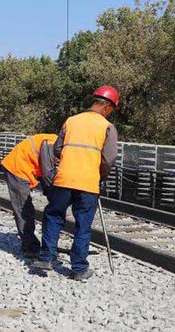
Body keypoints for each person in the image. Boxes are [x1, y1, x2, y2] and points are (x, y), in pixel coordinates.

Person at [31, 86, 119, 281]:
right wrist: (101, 177)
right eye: (112, 110)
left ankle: (46, 258)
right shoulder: (107, 127)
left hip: (64, 179)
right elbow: (109, 159)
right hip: (88, 183)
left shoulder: (71, 121)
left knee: (54, 217)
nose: (110, 114)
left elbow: (57, 150)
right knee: (83, 225)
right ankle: (78, 269)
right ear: (106, 106)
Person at [0, 133, 57, 258]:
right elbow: (47, 172)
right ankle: (30, 247)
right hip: (16, 168)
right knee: (24, 209)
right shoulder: (51, 142)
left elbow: (45, 171)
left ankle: (30, 243)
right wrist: (54, 195)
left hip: (23, 167)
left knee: (26, 208)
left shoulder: (55, 143)